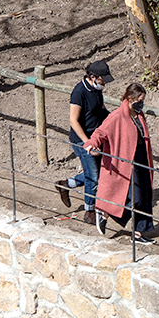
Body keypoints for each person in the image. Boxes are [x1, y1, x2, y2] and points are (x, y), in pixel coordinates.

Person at [84, 82, 155, 245]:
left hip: (141, 159)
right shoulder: (117, 116)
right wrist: (91, 143)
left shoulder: (139, 115)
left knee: (144, 196)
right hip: (125, 160)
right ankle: (106, 212)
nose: (141, 103)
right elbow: (100, 132)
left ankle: (138, 233)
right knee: (135, 197)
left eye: (143, 100)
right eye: (139, 100)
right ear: (130, 99)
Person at [56, 60, 112, 224]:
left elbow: (101, 110)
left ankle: (66, 184)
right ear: (93, 77)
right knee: (93, 177)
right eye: (103, 79)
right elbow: (74, 121)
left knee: (97, 173)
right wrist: (88, 143)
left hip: (95, 138)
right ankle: (89, 212)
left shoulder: (96, 90)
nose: (105, 83)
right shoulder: (79, 91)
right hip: (82, 140)